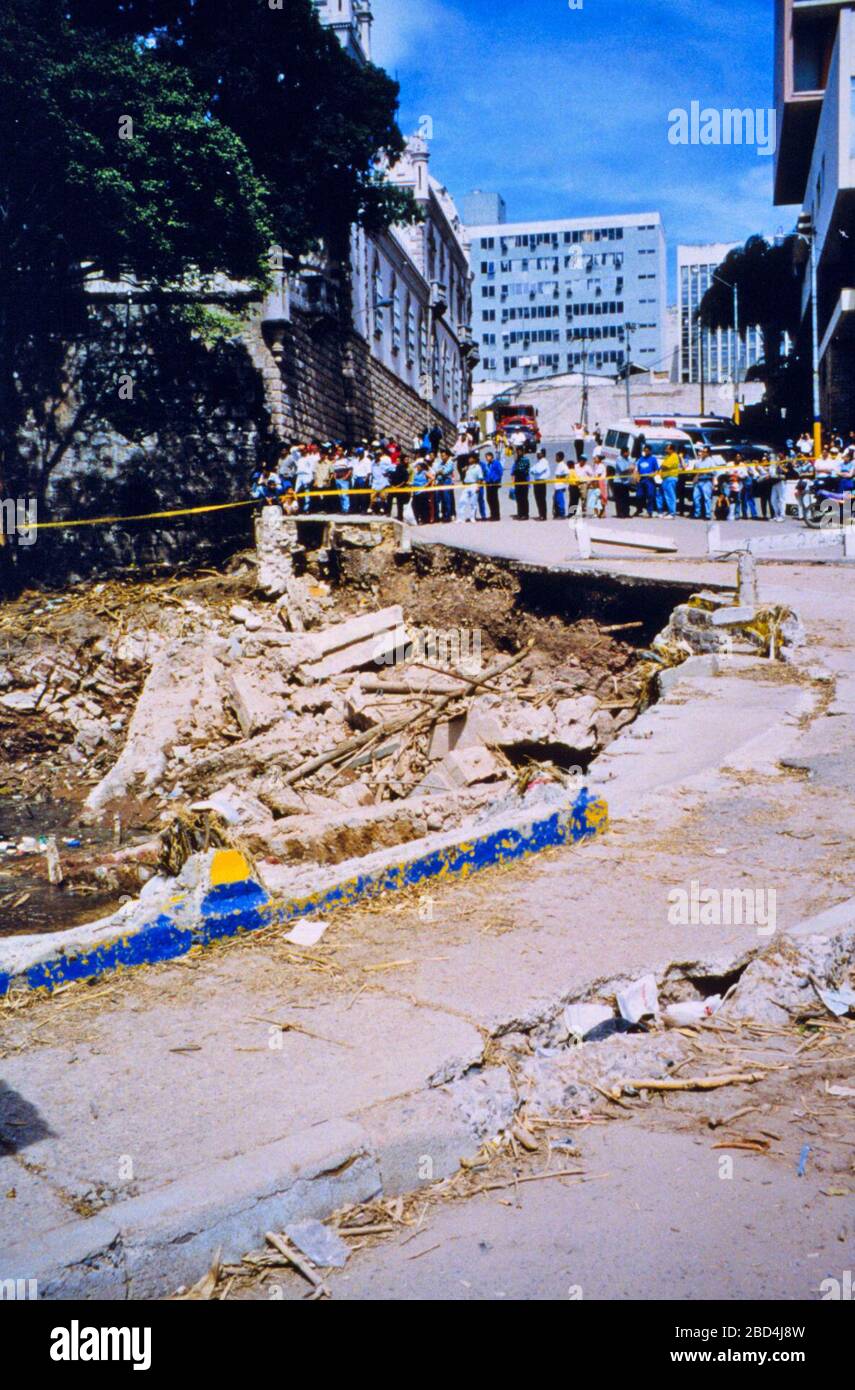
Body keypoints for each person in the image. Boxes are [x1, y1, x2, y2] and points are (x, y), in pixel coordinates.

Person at [692, 446, 718, 520]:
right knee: (695, 498)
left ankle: (707, 515)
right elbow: (695, 470)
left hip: (707, 481)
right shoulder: (698, 461)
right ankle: (697, 513)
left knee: (707, 498)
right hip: (698, 481)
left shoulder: (711, 461)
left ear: (708, 453)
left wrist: (705, 472)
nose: (702, 453)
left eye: (704, 452)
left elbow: (714, 471)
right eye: (702, 451)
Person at [636, 444, 660, 517]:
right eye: (645, 451)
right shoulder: (641, 459)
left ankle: (649, 511)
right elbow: (638, 469)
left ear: (650, 451)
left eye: (647, 451)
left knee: (650, 495)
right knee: (639, 495)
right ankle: (639, 509)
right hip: (641, 480)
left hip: (649, 480)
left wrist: (653, 474)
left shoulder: (653, 459)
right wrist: (637, 477)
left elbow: (657, 470)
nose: (646, 452)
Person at [460, 452, 484, 522]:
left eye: (470, 458)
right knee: (462, 501)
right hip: (466, 485)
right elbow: (462, 475)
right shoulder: (467, 467)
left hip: (474, 484)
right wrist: (464, 470)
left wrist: (478, 486)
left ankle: (472, 517)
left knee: (473, 502)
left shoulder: (478, 467)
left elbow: (480, 478)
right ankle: (461, 518)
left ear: (474, 459)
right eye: (469, 458)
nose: (469, 459)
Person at [611, 447, 635, 519]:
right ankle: (620, 513)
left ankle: (626, 513)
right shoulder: (619, 459)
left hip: (626, 482)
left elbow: (633, 467)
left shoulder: (629, 459)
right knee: (619, 499)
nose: (629, 454)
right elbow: (622, 470)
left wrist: (631, 469)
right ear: (624, 452)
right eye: (627, 452)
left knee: (626, 498)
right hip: (618, 482)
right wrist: (630, 469)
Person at [660, 442, 681, 518]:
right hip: (665, 478)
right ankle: (666, 511)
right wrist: (662, 466)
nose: (665, 450)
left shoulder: (674, 456)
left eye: (667, 449)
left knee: (670, 496)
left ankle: (672, 513)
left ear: (672, 450)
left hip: (671, 478)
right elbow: (662, 466)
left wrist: (663, 466)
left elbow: (665, 466)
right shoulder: (668, 456)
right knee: (663, 495)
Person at [410, 455, 431, 524]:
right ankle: (418, 519)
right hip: (416, 492)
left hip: (422, 492)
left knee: (423, 507)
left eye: (419, 466)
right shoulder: (416, 474)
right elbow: (414, 481)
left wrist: (427, 484)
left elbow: (432, 478)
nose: (417, 467)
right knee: (415, 506)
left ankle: (424, 519)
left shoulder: (424, 472)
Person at [483, 450, 503, 521]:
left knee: (494, 499)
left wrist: (496, 479)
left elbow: (500, 472)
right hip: (488, 483)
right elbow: (486, 473)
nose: (486, 458)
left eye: (487, 456)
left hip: (494, 483)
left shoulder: (496, 463)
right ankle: (492, 514)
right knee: (489, 499)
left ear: (491, 456)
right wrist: (485, 479)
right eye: (486, 457)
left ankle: (496, 515)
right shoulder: (487, 465)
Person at [511, 447, 531, 519]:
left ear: (523, 452)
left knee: (524, 498)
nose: (518, 453)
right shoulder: (516, 460)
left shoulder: (525, 459)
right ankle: (520, 513)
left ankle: (525, 514)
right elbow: (513, 471)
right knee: (518, 498)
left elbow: (521, 469)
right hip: (517, 480)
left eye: (520, 451)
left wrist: (516, 471)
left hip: (524, 480)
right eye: (517, 451)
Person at [531, 449, 551, 521]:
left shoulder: (544, 462)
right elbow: (532, 470)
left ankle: (543, 515)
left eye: (539, 453)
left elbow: (538, 470)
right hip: (536, 481)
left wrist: (534, 471)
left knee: (542, 499)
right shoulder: (538, 462)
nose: (537, 455)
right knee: (537, 499)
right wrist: (534, 471)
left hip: (541, 481)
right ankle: (540, 514)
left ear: (542, 454)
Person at [333, 447, 352, 514]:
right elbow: (334, 470)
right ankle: (342, 509)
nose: (338, 452)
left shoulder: (347, 460)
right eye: (338, 451)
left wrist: (346, 477)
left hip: (344, 479)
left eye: (340, 451)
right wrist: (335, 476)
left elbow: (350, 470)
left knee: (345, 494)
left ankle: (346, 509)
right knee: (340, 495)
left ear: (343, 451)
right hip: (337, 479)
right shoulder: (336, 460)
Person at [553, 452, 570, 518]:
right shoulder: (559, 465)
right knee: (556, 500)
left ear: (560, 457)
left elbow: (567, 474)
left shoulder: (563, 465)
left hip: (561, 486)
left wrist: (565, 485)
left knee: (560, 500)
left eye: (556, 457)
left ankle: (562, 514)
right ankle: (557, 514)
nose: (555, 458)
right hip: (557, 486)